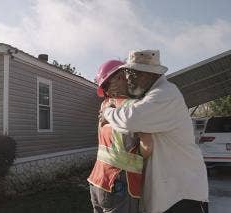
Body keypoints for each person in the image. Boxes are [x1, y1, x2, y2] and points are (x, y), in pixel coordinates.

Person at [101, 50, 209, 213]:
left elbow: (131, 120)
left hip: (181, 195)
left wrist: (107, 112)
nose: (128, 79)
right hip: (168, 193)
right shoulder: (150, 96)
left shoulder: (165, 94)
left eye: (130, 73)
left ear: (145, 74)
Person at [87, 60, 153, 213]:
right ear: (119, 78)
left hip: (97, 180)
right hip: (119, 183)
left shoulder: (105, 106)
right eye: (127, 74)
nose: (130, 78)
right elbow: (148, 146)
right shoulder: (133, 108)